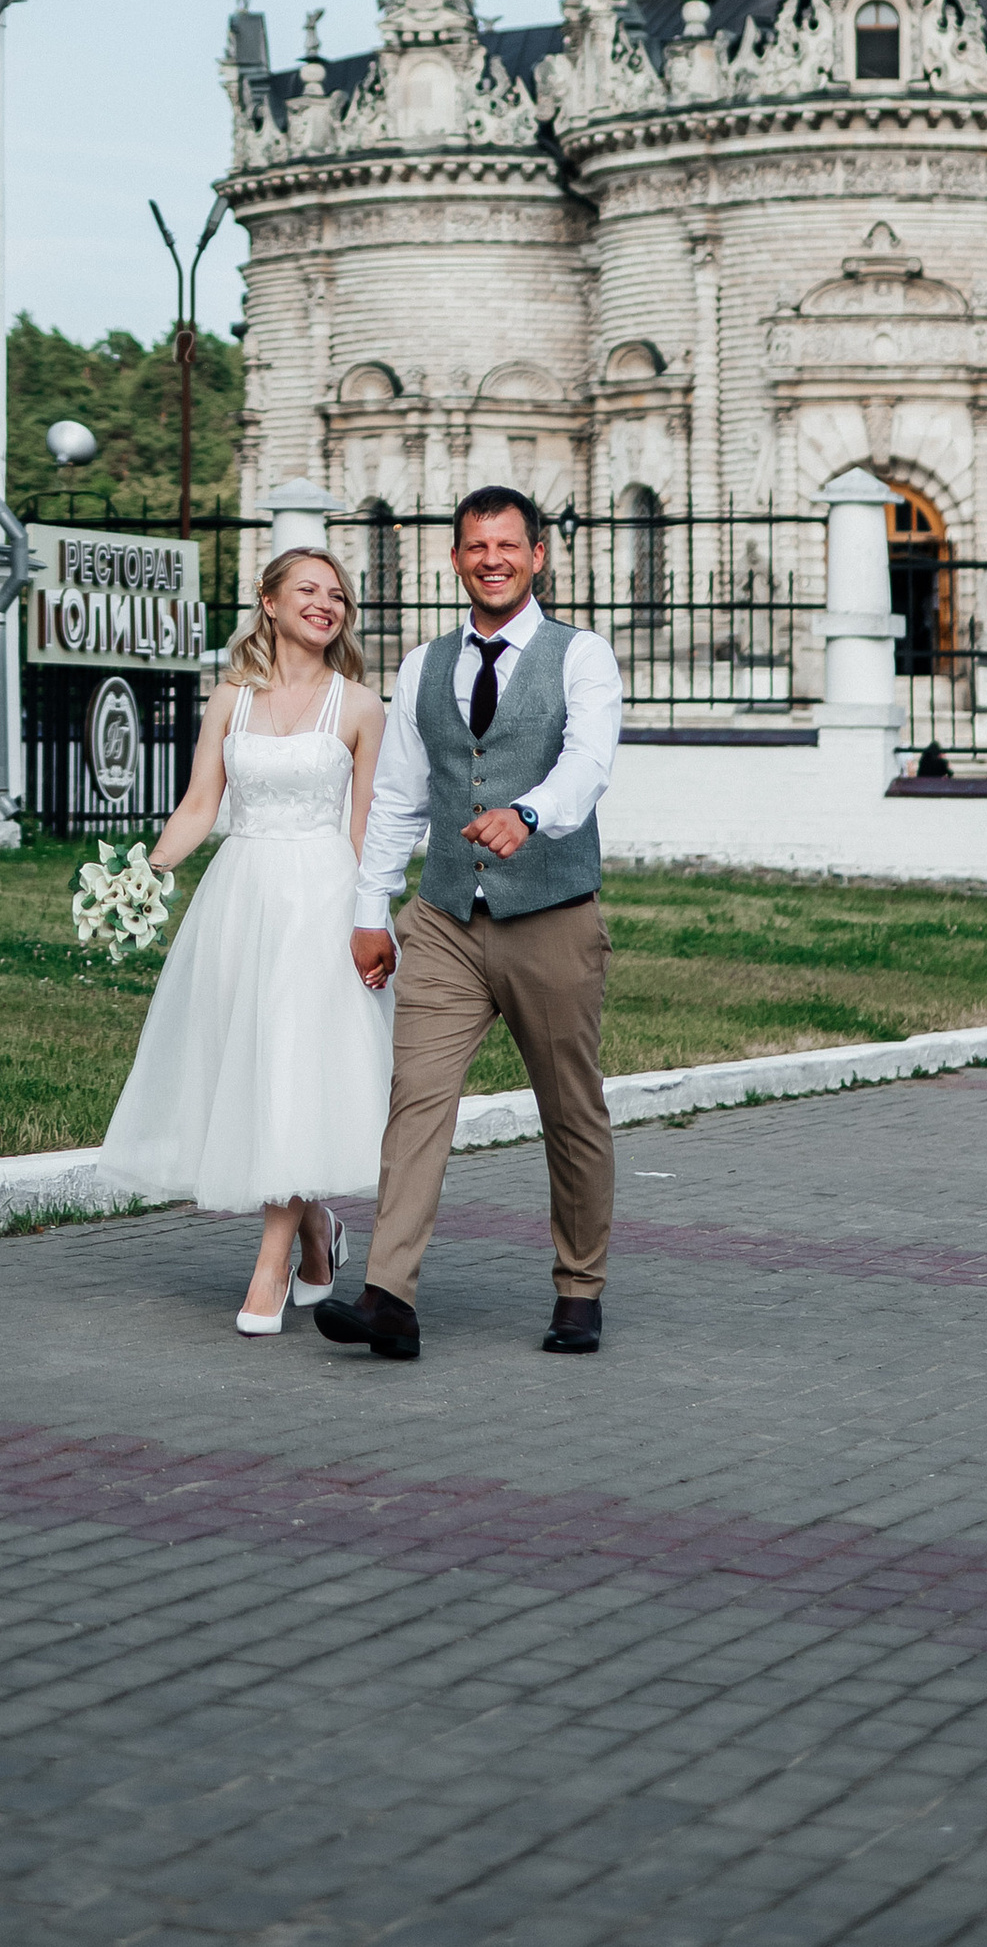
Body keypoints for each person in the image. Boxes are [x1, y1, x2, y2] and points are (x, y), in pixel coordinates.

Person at [316, 486, 622, 1365]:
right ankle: (389, 1297)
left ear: (538, 557)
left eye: (508, 545)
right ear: (455, 559)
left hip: (550, 917)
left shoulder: (581, 656)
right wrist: (371, 911)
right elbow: (399, 799)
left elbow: (588, 763)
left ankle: (579, 1289)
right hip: (446, 919)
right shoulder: (424, 665)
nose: (493, 560)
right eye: (476, 546)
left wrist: (529, 813)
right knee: (415, 1100)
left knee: (570, 1108)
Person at [100, 545, 392, 1334]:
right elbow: (202, 804)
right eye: (308, 590)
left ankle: (270, 1268)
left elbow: (366, 828)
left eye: (337, 595)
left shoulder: (361, 707)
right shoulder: (231, 696)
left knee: (293, 1067)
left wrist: (373, 920)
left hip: (322, 898)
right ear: (270, 601)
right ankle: (317, 1230)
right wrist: (142, 876)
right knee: (257, 1067)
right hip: (241, 896)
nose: (325, 605)